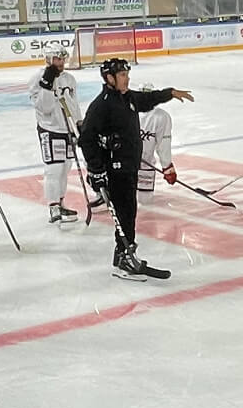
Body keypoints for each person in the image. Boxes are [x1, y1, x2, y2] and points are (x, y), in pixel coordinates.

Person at [78, 58, 194, 281]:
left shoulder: (127, 98)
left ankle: (123, 254)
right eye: (122, 75)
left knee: (129, 211)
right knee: (125, 213)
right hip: (116, 169)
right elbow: (86, 140)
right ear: (110, 78)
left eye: (127, 74)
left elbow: (147, 99)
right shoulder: (102, 105)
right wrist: (96, 171)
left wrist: (169, 93)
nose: (127, 78)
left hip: (129, 167)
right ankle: (125, 256)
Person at [29, 44, 81, 224]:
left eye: (63, 59)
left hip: (68, 129)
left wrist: (79, 123)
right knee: (54, 169)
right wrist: (47, 85)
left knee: (65, 168)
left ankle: (60, 202)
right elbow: (45, 108)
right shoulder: (37, 79)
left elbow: (73, 103)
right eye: (57, 59)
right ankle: (53, 206)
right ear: (49, 59)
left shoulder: (69, 79)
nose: (61, 62)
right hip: (50, 129)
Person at [136, 89, 176, 199]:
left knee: (143, 201)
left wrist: (167, 167)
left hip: (143, 166)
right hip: (125, 164)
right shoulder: (124, 110)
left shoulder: (161, 116)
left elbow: (163, 142)